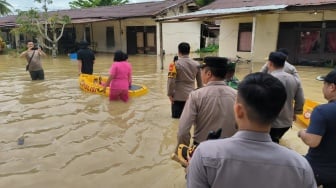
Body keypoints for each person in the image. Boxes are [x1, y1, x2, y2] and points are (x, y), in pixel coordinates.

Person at [187, 72, 316, 188]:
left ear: (238, 110)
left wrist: (191, 169)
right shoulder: (300, 166)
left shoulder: (205, 154)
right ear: (278, 112)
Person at [175, 56, 237, 154]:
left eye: (202, 71)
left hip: (202, 149)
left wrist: (183, 153)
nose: (201, 74)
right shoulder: (237, 95)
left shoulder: (196, 96)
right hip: (229, 150)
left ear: (209, 74)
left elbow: (183, 131)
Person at [298, 69, 336, 187]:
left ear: (332, 87)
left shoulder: (322, 111)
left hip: (320, 169)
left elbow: (312, 141)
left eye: (324, 84)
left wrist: (302, 132)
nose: (323, 88)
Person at [267, 51, 304, 143]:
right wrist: (295, 112)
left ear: (270, 63)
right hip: (286, 122)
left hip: (269, 122)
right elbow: (301, 99)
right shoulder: (295, 80)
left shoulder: (267, 79)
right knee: (275, 141)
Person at [167, 42, 203, 119]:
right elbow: (200, 83)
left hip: (177, 97)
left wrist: (170, 94)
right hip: (191, 96)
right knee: (189, 119)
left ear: (179, 51)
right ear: (189, 51)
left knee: (176, 120)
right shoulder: (196, 64)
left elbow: (171, 81)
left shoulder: (174, 64)